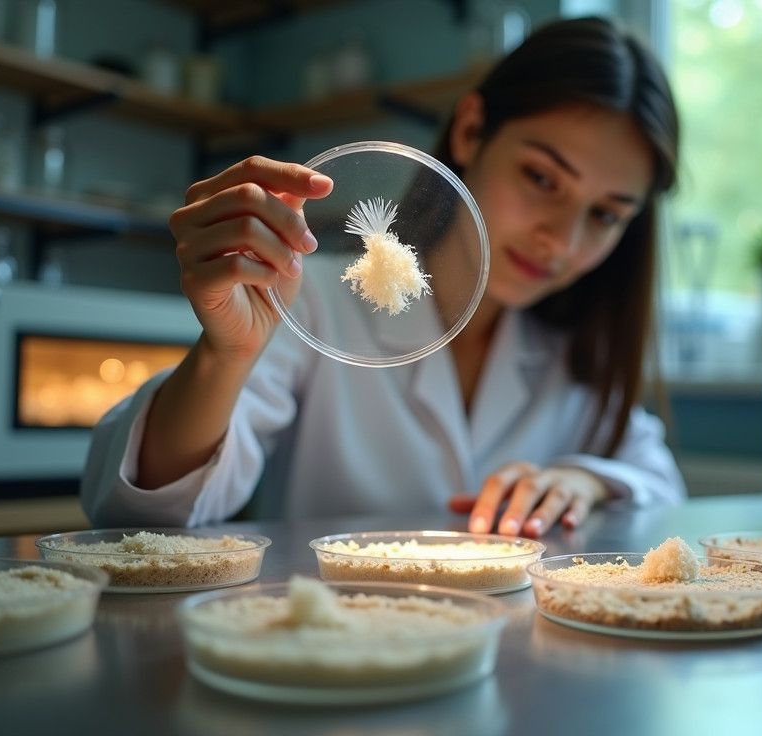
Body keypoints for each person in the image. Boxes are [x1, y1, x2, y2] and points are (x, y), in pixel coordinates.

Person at [81, 16, 686, 538]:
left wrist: (586, 481)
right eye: (542, 178)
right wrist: (225, 356)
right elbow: (147, 510)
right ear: (471, 130)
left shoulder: (574, 354)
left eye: (605, 214)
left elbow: (661, 488)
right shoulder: (310, 298)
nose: (563, 238)